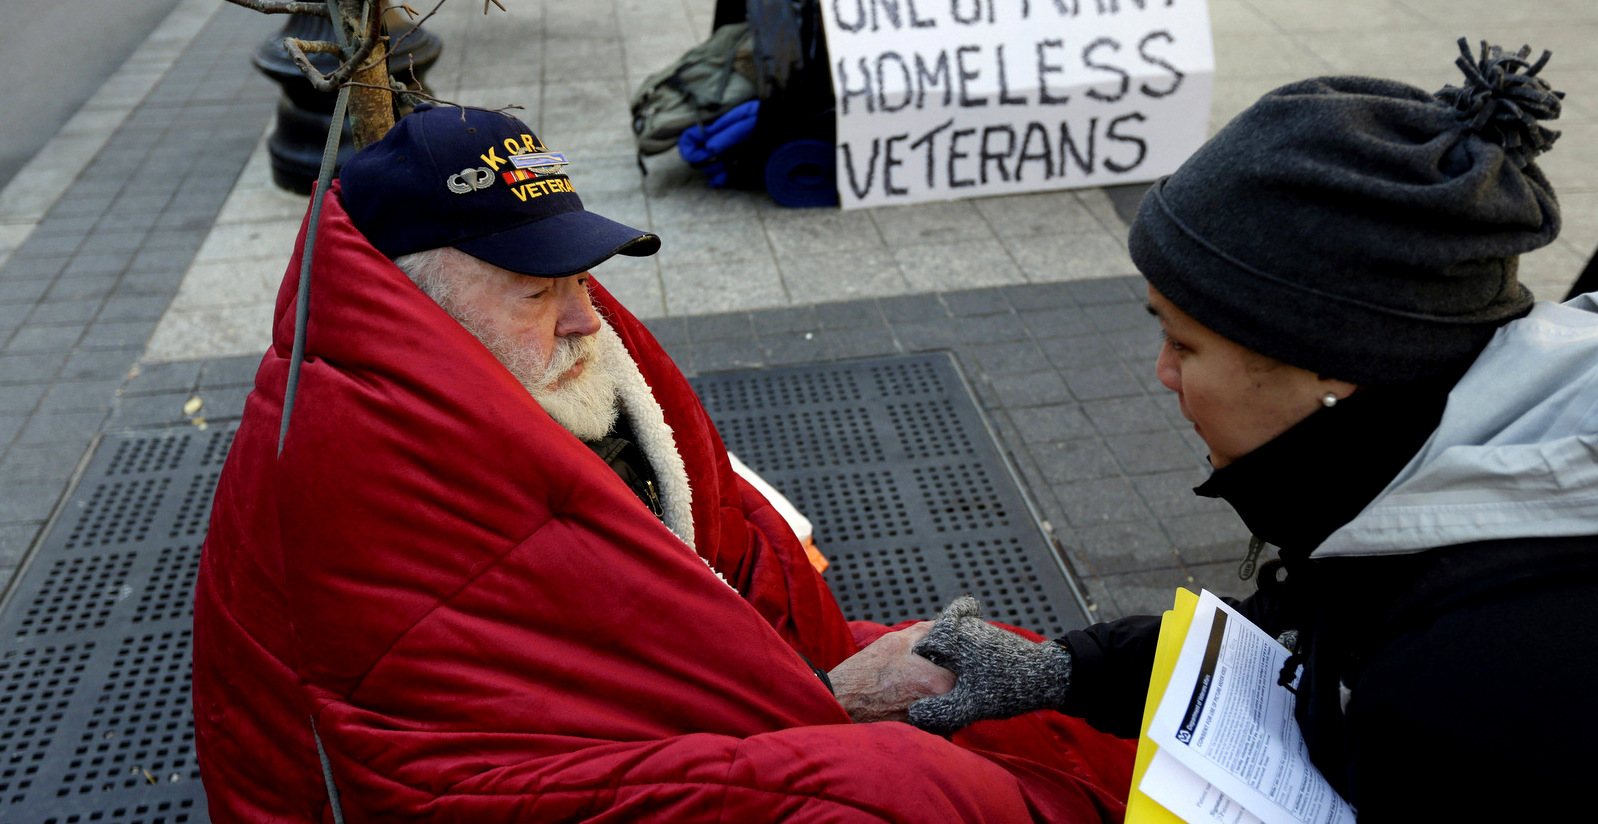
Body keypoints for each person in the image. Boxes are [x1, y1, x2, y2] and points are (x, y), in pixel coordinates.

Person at [189, 104, 1136, 822]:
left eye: (577, 276)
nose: (582, 318)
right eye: (534, 290)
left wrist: (834, 675)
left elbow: (716, 561)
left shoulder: (533, 363)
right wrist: (833, 710)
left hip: (730, 704)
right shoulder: (355, 462)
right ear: (416, 305)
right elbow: (439, 754)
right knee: (904, 789)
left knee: (994, 685)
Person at [904, 39, 1598, 819]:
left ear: (1333, 362)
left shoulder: (1471, 688)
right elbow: (1322, 617)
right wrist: (1065, 671)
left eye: (1185, 343)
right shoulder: (1446, 443)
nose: (1162, 374)